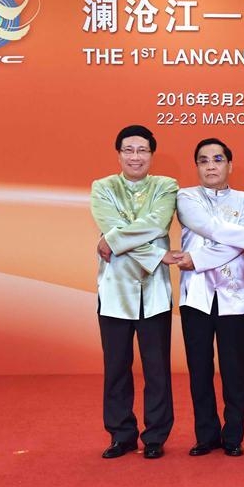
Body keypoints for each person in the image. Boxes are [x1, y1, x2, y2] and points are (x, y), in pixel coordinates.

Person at [175, 138, 244, 457]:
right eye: (203, 160)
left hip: (233, 297)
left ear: (229, 165)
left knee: (235, 370)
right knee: (200, 369)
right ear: (197, 167)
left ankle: (233, 435)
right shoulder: (184, 197)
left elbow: (234, 244)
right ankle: (206, 435)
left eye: (217, 159)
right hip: (196, 297)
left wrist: (198, 259)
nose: (211, 166)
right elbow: (209, 227)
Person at [90, 124, 179, 459]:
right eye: (129, 150)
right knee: (116, 367)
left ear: (151, 154)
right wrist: (157, 254)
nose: (135, 156)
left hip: (154, 291)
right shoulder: (103, 187)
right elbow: (110, 227)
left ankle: (155, 435)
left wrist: (113, 241)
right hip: (114, 290)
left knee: (157, 368)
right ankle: (121, 434)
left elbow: (156, 225)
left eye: (142, 150)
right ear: (119, 154)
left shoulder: (165, 186)